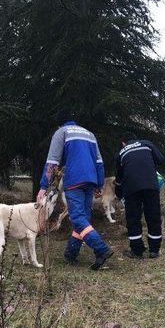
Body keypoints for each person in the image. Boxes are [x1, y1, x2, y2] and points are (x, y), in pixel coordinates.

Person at [38, 113, 114, 270]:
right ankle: (70, 254)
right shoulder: (90, 134)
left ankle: (101, 249)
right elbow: (99, 163)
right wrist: (99, 185)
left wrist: (43, 186)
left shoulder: (61, 133)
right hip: (91, 179)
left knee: (77, 218)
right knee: (83, 218)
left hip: (74, 180)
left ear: (59, 125)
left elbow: (52, 163)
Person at [114, 132, 165, 259]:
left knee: (133, 219)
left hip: (131, 188)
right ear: (136, 139)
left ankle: (137, 251)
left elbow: (119, 179)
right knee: (153, 216)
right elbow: (161, 159)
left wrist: (119, 194)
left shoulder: (121, 153)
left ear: (123, 143)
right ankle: (154, 250)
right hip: (151, 185)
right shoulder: (147, 144)